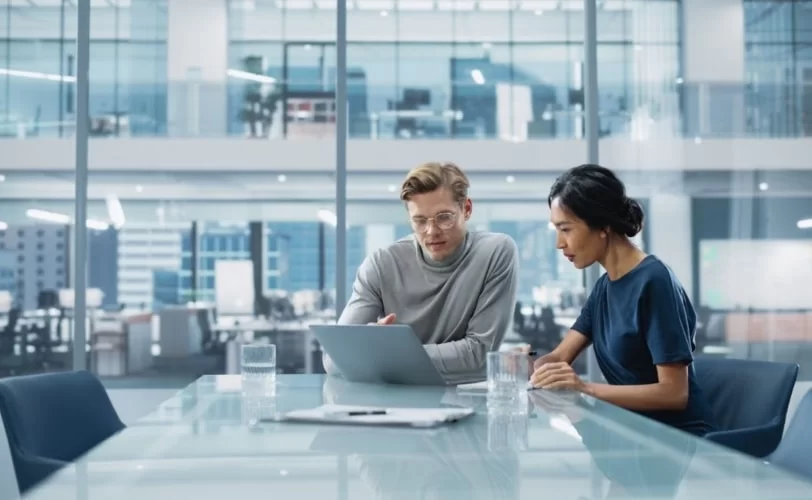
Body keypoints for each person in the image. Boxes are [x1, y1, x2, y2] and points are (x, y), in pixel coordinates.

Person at [528, 164, 715, 436]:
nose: (559, 243)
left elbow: (674, 393)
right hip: (632, 430)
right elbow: (559, 356)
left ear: (602, 226)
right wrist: (533, 366)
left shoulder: (654, 282)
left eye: (565, 229)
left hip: (678, 439)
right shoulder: (604, 287)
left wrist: (584, 388)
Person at [326, 161, 519, 384]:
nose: (432, 231)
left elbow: (478, 354)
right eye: (419, 221)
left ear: (466, 209)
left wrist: (379, 354)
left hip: (464, 398)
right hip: (393, 403)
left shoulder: (495, 252)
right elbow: (333, 359)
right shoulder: (381, 264)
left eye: (444, 217)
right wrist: (374, 347)